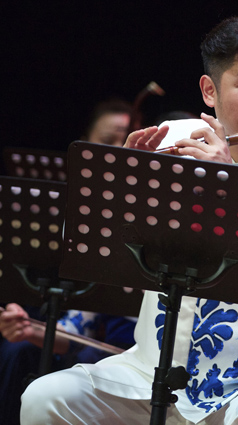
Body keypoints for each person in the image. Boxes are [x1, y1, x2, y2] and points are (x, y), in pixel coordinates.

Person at [20, 14, 238, 425]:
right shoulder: (171, 141)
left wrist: (232, 187)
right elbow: (82, 244)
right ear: (210, 91)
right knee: (46, 397)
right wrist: (125, 185)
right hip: (148, 372)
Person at [0, 98, 137, 425]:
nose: (117, 152)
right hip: (99, 347)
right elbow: (79, 328)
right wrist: (27, 330)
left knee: (88, 361)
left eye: (127, 141)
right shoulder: (98, 223)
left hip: (139, 357)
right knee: (19, 352)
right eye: (107, 142)